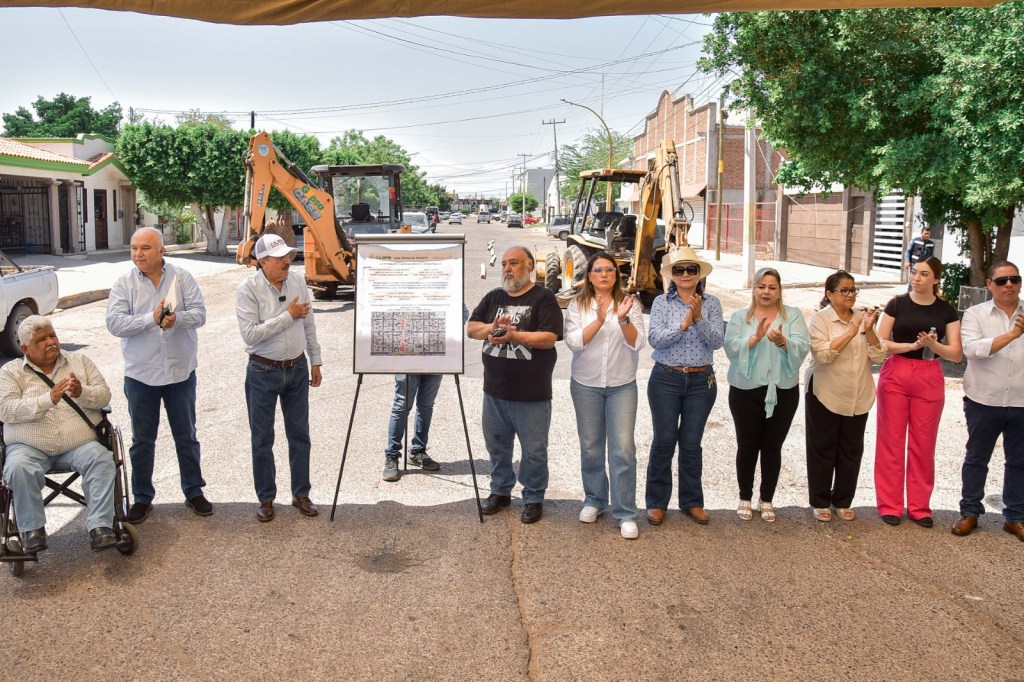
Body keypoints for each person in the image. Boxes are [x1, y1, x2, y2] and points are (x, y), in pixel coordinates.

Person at [106, 226, 211, 523]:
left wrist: (177, 319)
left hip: (180, 373)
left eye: (145, 248)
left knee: (186, 437)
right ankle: (142, 498)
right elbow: (114, 324)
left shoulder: (182, 277)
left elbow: (200, 315)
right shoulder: (124, 283)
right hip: (142, 376)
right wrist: (149, 319)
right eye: (134, 248)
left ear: (161, 251)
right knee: (142, 441)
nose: (138, 254)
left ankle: (193, 492)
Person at [0, 316, 117, 552]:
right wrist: (47, 400)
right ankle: (32, 529)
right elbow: (5, 409)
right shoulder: (11, 372)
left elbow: (104, 395)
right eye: (41, 339)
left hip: (78, 442)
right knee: (18, 467)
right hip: (29, 446)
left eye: (52, 335)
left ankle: (101, 526)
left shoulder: (79, 361)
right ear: (25, 348)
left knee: (102, 459)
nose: (51, 342)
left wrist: (82, 392)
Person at [466, 246, 562, 524]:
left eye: (515, 263)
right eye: (505, 263)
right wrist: (491, 330)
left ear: (530, 266)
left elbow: (548, 338)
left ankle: (533, 497)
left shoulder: (544, 298)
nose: (507, 268)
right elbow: (472, 328)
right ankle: (500, 491)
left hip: (531, 393)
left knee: (533, 450)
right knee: (497, 446)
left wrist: (513, 336)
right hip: (494, 390)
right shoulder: (493, 297)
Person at [236, 233, 322, 522]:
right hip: (263, 371)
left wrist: (315, 361)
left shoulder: (297, 281)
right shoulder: (248, 290)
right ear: (262, 262)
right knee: (262, 438)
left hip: (297, 368)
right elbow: (251, 335)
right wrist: (288, 316)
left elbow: (308, 323)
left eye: (288, 255)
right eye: (280, 258)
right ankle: (266, 498)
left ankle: (301, 494)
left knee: (300, 435)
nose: (287, 261)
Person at [564, 251, 646, 539]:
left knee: (623, 449)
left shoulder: (629, 304)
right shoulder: (578, 305)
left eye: (609, 270)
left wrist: (622, 320)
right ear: (589, 275)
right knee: (591, 445)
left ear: (616, 275)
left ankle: (625, 512)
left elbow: (638, 344)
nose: (603, 274)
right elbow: (573, 343)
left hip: (622, 384)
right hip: (586, 384)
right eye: (597, 270)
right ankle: (595, 500)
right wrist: (599, 320)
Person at [875, 256, 962, 527]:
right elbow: (880, 343)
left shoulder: (947, 310)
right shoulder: (897, 304)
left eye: (924, 274)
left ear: (935, 279)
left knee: (923, 444)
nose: (917, 278)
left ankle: (919, 507)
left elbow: (956, 354)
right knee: (891, 440)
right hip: (897, 371)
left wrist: (933, 347)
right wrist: (910, 347)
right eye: (915, 272)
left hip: (929, 373)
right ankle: (889, 505)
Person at [645, 246, 723, 527]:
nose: (686, 274)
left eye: (692, 269)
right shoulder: (660, 304)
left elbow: (716, 341)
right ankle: (656, 503)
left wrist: (699, 318)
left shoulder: (711, 303)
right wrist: (684, 324)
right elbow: (656, 339)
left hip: (702, 381)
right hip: (666, 378)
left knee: (691, 445)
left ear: (699, 274)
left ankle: (692, 502)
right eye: (680, 269)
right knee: (664, 442)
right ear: (672, 275)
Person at [724, 268, 810, 523]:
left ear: (779, 290)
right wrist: (755, 338)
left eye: (772, 287)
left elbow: (803, 346)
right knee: (747, 445)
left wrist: (784, 341)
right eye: (761, 286)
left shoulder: (792, 315)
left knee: (773, 446)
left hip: (783, 390)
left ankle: (767, 498)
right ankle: (745, 496)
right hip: (745, 390)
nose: (766, 292)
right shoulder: (740, 316)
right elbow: (729, 347)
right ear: (753, 289)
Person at [951, 261, 1024, 542]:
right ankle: (970, 512)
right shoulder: (975, 314)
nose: (1009, 285)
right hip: (984, 399)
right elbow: (972, 349)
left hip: (1020, 401)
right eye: (1002, 280)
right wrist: (1012, 335)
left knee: (1019, 462)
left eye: (1014, 280)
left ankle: (1015, 517)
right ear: (990, 284)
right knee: (977, 458)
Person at [804, 271, 885, 522]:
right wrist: (851, 332)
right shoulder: (820, 320)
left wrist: (869, 331)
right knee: (822, 448)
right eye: (844, 290)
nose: (850, 295)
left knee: (851, 450)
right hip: (825, 392)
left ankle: (843, 500)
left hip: (857, 394)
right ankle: (820, 501)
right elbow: (824, 355)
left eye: (853, 290)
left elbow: (879, 356)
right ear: (829, 295)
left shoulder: (864, 318)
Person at [381, 374, 443, 482]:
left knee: (426, 406)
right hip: (406, 361)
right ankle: (392, 456)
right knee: (401, 407)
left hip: (435, 363)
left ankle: (418, 452)